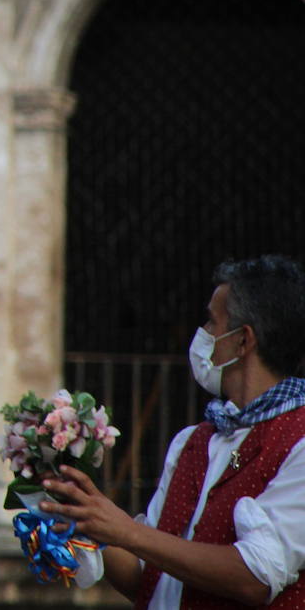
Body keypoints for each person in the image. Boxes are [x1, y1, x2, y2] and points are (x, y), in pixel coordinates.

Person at [41, 255, 305, 608]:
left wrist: (128, 532)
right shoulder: (192, 443)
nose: (204, 335)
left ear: (243, 341)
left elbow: (255, 577)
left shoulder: (299, 441)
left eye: (212, 323)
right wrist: (86, 516)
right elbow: (148, 577)